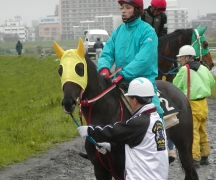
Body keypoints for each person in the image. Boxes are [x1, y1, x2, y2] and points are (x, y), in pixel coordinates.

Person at [79, 0, 164, 160]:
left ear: (137, 10)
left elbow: (143, 60)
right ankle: (94, 145)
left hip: (143, 83)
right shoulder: (118, 32)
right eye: (122, 8)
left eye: (128, 7)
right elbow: (107, 53)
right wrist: (103, 68)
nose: (123, 11)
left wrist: (124, 73)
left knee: (155, 113)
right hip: (120, 80)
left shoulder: (148, 32)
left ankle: (160, 147)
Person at [78, 77, 169, 180]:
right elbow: (138, 146)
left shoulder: (139, 122)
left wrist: (90, 130)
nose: (129, 101)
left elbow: (115, 131)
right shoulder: (155, 119)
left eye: (129, 99)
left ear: (134, 100)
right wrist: (111, 146)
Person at [141, 0, 177, 162]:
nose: (158, 13)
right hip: (143, 44)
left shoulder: (163, 16)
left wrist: (158, 45)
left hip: (156, 43)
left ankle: (173, 70)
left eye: (160, 12)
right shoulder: (142, 14)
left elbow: (163, 33)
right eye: (157, 11)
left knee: (171, 57)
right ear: (152, 7)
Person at [173, 45, 215, 168]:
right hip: (204, 103)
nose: (180, 60)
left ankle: (195, 158)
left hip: (192, 104)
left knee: (193, 132)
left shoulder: (184, 70)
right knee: (203, 130)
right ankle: (205, 155)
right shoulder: (203, 68)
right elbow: (212, 82)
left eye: (181, 57)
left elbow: (175, 87)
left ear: (187, 57)